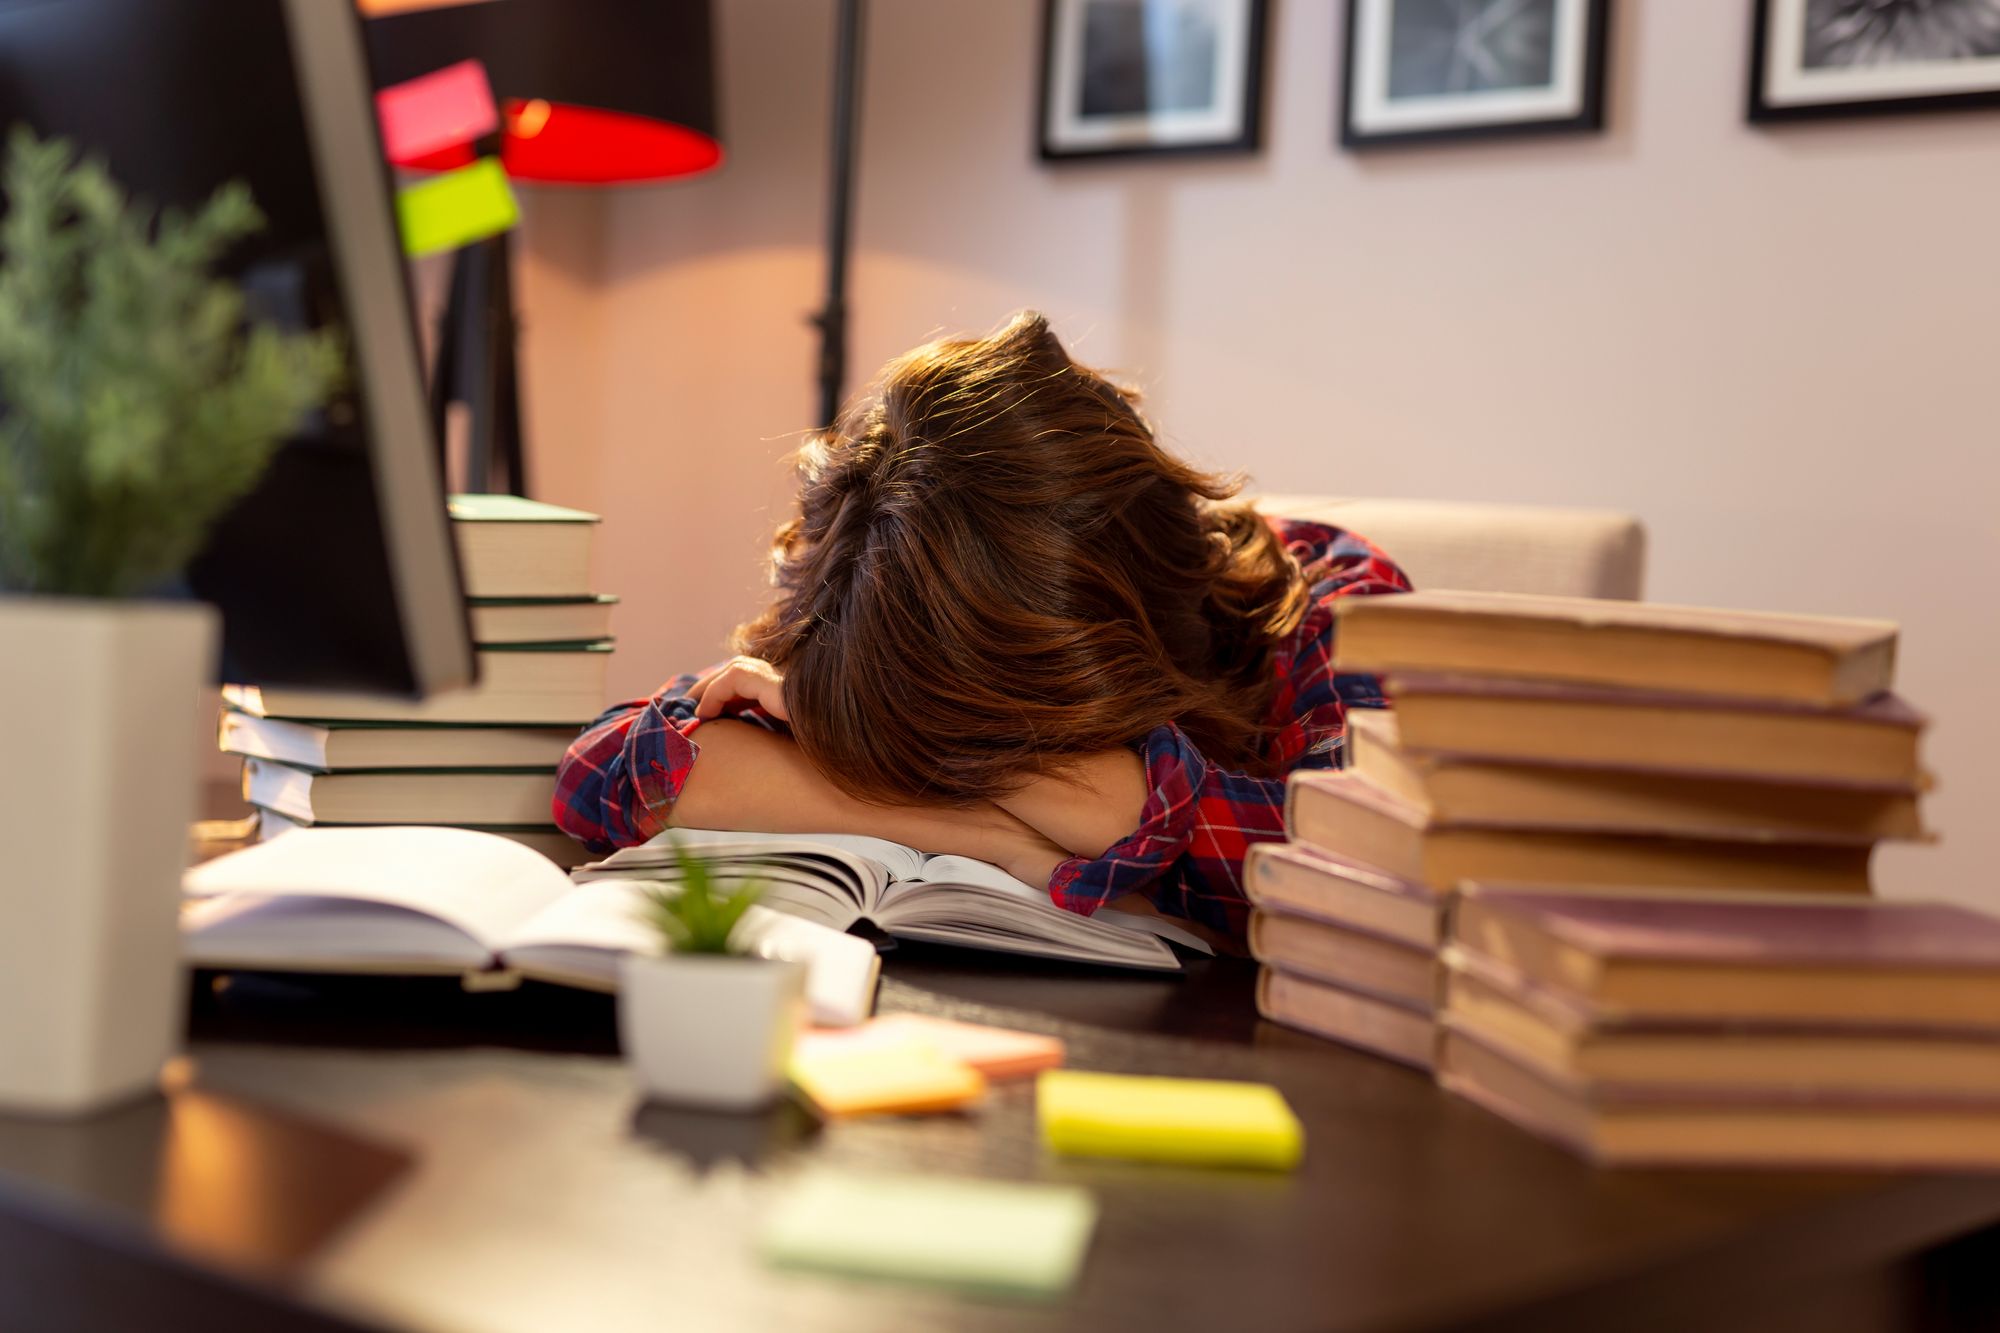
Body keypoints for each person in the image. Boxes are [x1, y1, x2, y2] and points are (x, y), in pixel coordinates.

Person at [553, 312, 1410, 944]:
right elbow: (612, 771)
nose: (947, 766)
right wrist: (984, 831)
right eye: (926, 744)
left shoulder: (1340, 607)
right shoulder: (890, 582)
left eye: (989, 744)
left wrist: (1095, 802)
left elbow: (1371, 872)